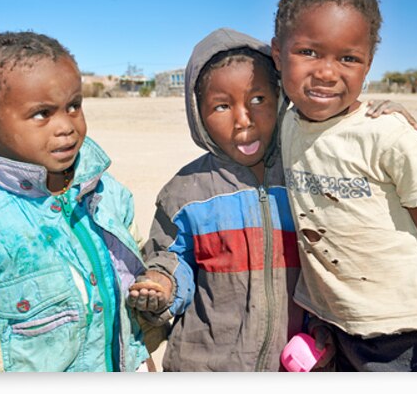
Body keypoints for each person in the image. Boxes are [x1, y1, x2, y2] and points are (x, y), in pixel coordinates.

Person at [270, 0, 417, 372]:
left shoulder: (389, 136)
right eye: (309, 52)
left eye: (348, 58)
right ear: (279, 55)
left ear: (368, 65)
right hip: (340, 331)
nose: (328, 72)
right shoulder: (286, 123)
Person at [0, 29, 154, 372]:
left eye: (74, 106)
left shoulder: (108, 194)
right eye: (42, 113)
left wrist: (142, 359)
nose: (66, 126)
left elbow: (132, 296)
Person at [126, 28, 305, 371]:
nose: (243, 120)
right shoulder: (185, 192)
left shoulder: (303, 173)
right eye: (222, 106)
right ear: (199, 115)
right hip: (206, 365)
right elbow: (169, 257)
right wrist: (162, 284)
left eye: (258, 100)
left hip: (295, 363)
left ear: (281, 97)